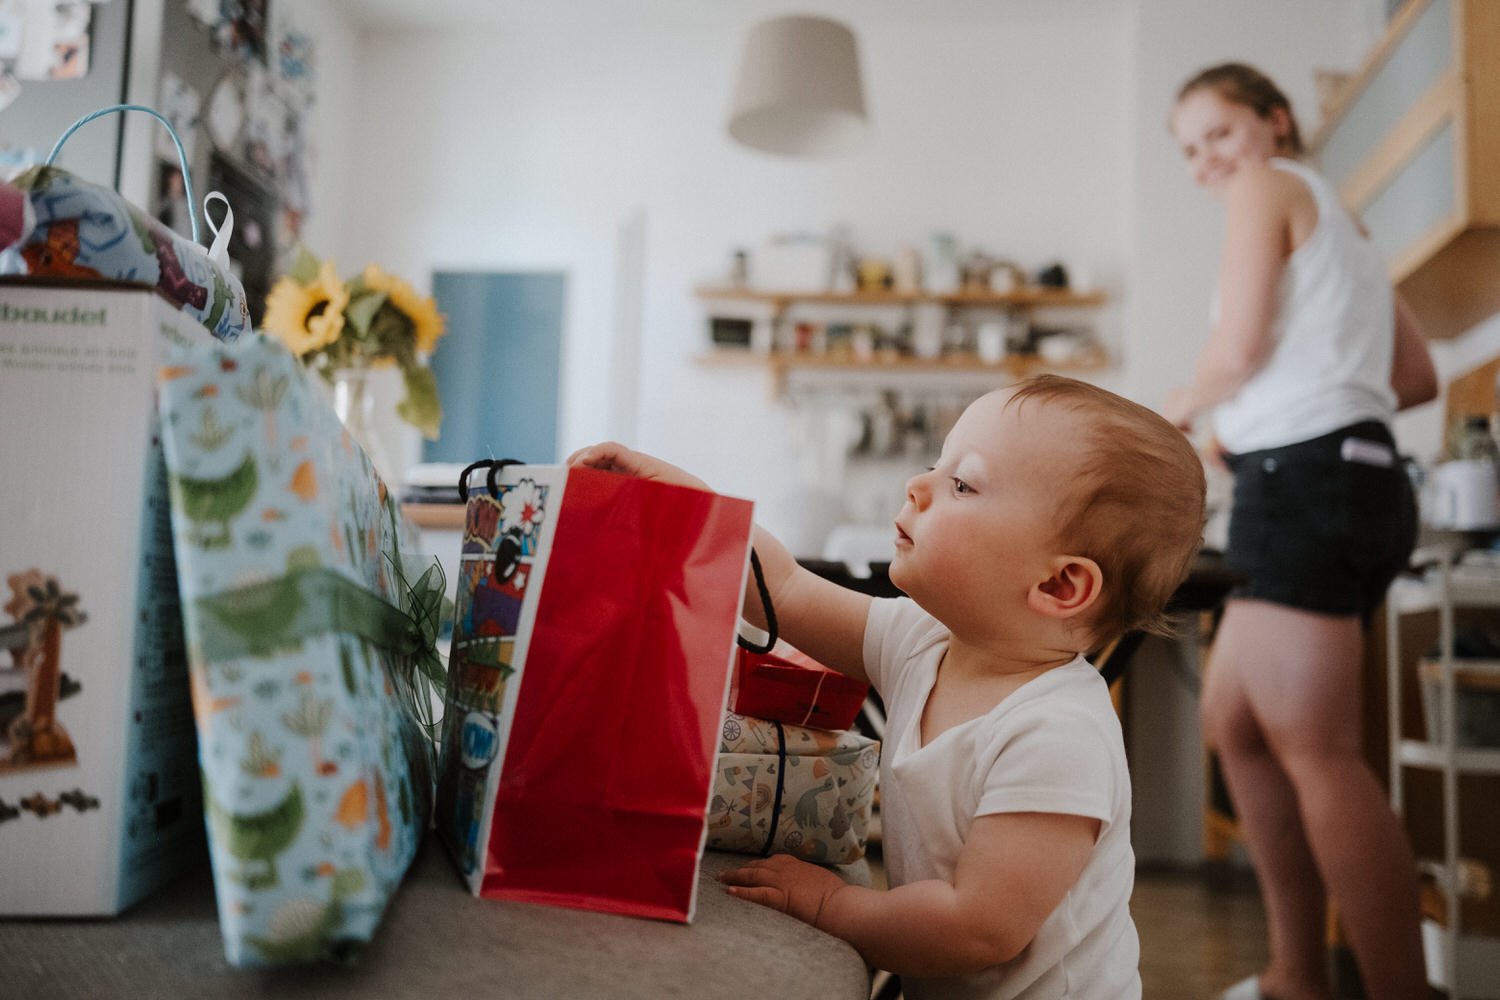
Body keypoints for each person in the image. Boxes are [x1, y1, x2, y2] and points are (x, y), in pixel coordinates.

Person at [570, 374, 1206, 1000]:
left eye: (962, 483)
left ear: (1059, 586)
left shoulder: (1057, 733)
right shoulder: (921, 642)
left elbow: (976, 929)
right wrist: (677, 501)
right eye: (937, 464)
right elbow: (781, 589)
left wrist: (833, 905)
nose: (918, 485)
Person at [1162, 63, 1440, 1000]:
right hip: (1355, 480)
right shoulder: (1342, 223)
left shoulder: (1265, 186)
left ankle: (1393, 990)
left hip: (1310, 486)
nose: (1209, 160)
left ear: (1275, 121)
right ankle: (1295, 975)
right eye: (1191, 148)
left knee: (1318, 752)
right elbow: (1414, 376)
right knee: (1231, 718)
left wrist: (1175, 418)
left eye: (1221, 132)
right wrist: (1273, 416)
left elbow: (1236, 349)